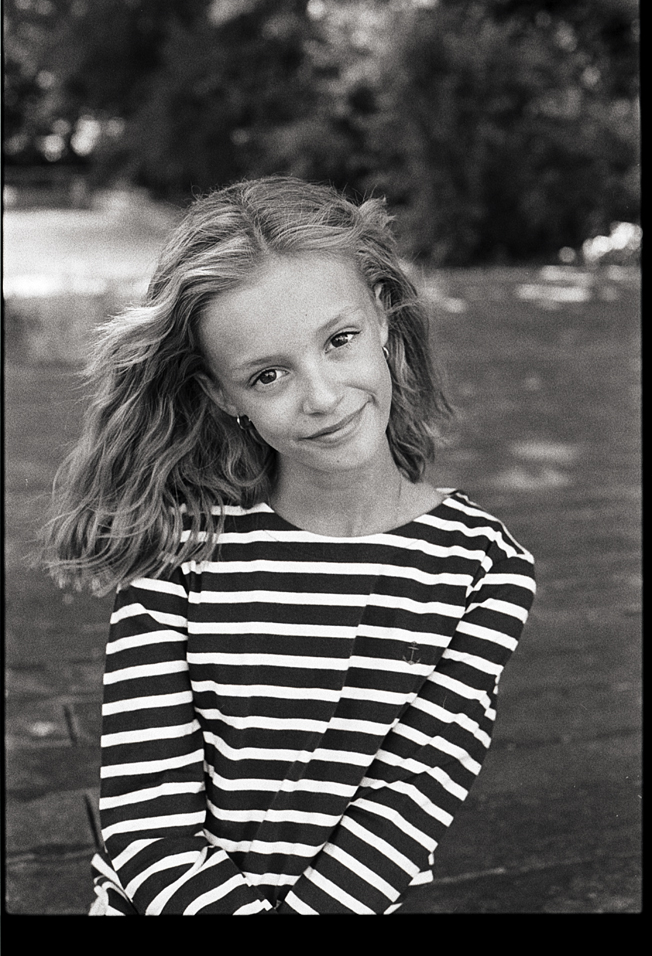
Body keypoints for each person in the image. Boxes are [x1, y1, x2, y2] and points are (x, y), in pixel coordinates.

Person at [42, 175, 535, 915]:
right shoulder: (181, 550)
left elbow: (406, 808)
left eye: (339, 341)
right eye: (268, 374)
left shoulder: (483, 568)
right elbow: (149, 831)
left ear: (384, 319)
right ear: (220, 395)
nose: (323, 395)